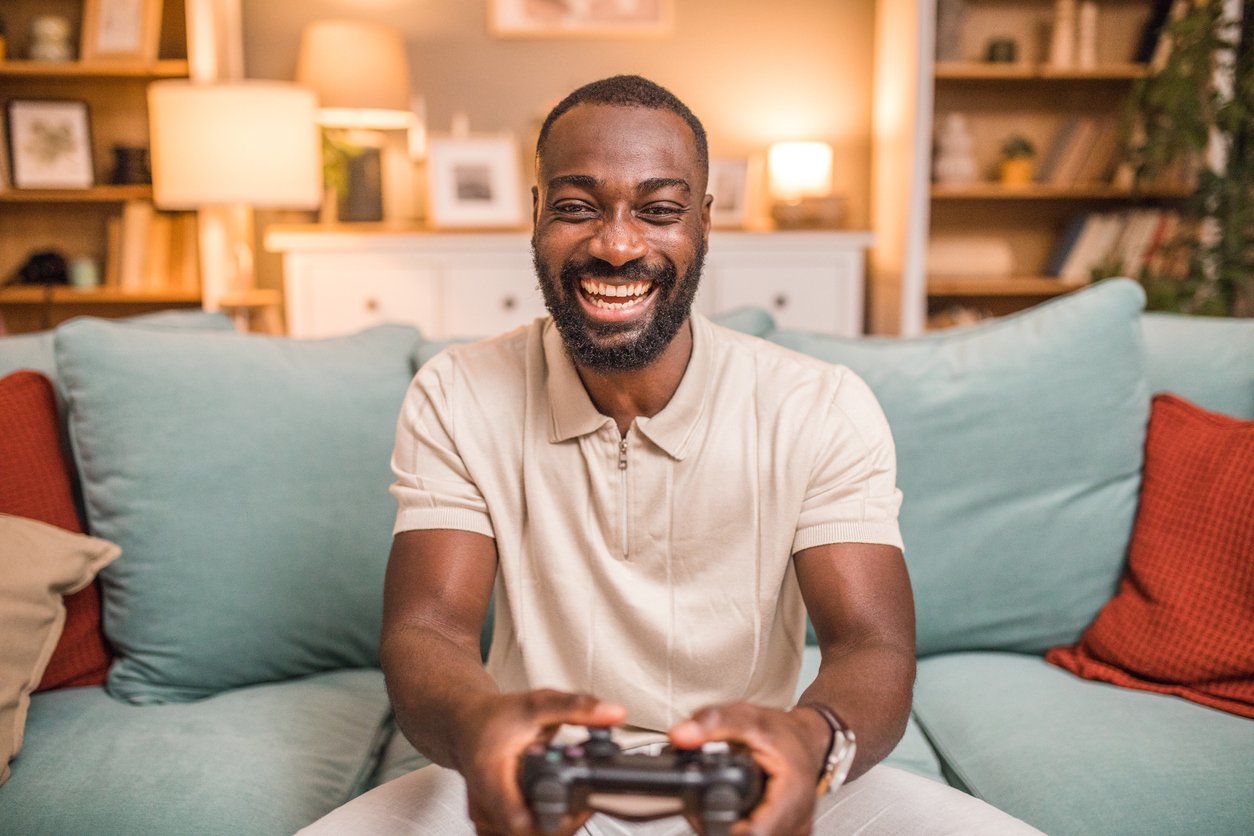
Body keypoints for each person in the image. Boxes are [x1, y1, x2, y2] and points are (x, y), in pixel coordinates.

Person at [303, 75, 1040, 836]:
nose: (617, 244)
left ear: (705, 223)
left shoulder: (820, 406)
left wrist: (807, 739)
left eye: (658, 210)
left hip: (754, 777)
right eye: (577, 207)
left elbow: (872, 644)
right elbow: (430, 629)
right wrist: (480, 728)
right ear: (535, 216)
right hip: (534, 773)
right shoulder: (457, 392)